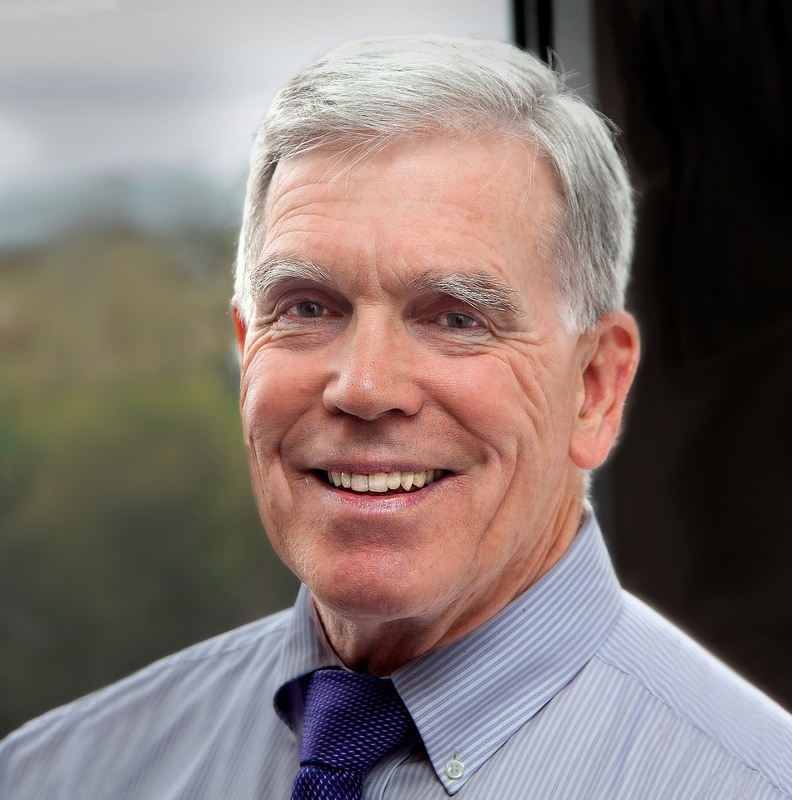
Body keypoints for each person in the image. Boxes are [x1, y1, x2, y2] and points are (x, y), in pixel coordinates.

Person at [1, 34, 791, 800]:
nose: (365, 386)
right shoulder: (56, 774)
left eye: (454, 318)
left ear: (594, 387)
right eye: (307, 307)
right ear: (246, 351)